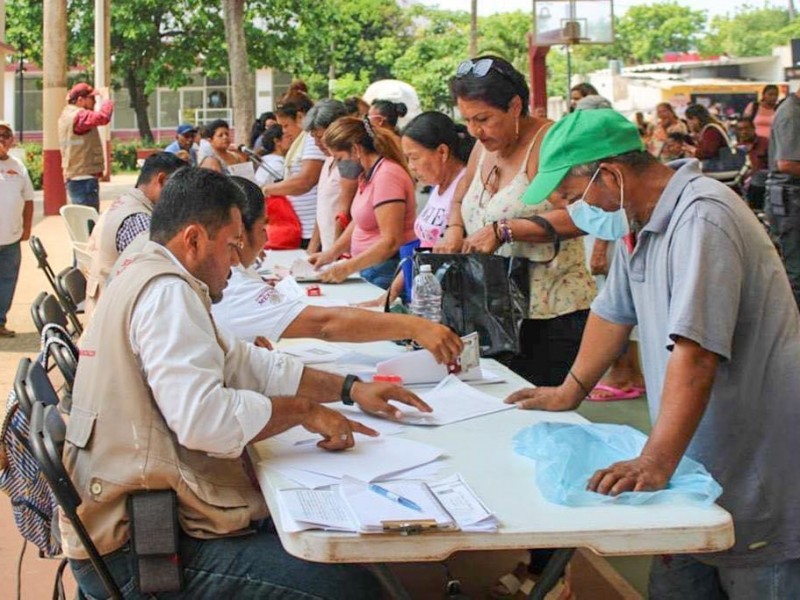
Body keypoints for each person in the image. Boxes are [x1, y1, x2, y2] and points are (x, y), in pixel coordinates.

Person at [63, 166, 430, 599]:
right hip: (144, 552)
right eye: (232, 244)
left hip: (144, 523)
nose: (238, 260)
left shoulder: (153, 267)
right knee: (348, 587)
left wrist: (349, 388)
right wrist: (303, 411)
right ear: (194, 238)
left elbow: (244, 362)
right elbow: (205, 422)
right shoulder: (167, 293)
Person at [511, 108, 800, 599]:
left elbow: (696, 352)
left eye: (574, 196)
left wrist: (654, 461)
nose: (573, 209)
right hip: (695, 458)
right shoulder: (637, 221)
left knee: (757, 571)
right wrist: (570, 391)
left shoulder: (702, 216)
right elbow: (612, 311)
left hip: (756, 462)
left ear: (610, 175)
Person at [439, 55, 595, 386]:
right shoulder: (482, 147)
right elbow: (459, 195)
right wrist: (455, 230)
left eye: (483, 118)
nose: (474, 131)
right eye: (467, 120)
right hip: (495, 310)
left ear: (514, 105)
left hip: (550, 313)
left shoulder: (550, 143)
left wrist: (507, 230)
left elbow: (585, 214)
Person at [214, 176, 463, 363]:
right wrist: (415, 327)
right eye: (262, 227)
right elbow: (325, 324)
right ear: (238, 234)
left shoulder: (224, 276)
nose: (266, 238)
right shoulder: (235, 284)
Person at [309, 117, 417, 289]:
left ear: (356, 149)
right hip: (370, 268)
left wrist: (348, 267)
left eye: (340, 158)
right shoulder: (367, 175)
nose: (339, 165)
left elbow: (391, 240)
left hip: (385, 270)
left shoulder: (387, 176)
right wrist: (330, 254)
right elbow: (359, 222)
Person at [84, 152, 187, 320]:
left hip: (102, 309)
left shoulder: (124, 202)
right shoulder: (138, 222)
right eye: (180, 191)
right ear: (161, 181)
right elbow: (155, 278)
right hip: (111, 321)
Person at [262, 91, 326, 250]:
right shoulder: (301, 141)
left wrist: (265, 190)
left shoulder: (312, 139)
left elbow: (305, 181)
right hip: (300, 227)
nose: (284, 131)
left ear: (300, 117)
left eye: (286, 125)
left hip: (311, 228)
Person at [303, 99, 358, 251]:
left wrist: (335, 252)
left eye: (319, 137)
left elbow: (344, 212)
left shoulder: (350, 163)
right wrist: (312, 249)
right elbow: (323, 209)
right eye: (313, 137)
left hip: (346, 252)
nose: (316, 143)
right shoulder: (328, 161)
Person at [766, 85, 800, 308]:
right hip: (790, 201)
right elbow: (786, 163)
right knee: (797, 272)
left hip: (790, 199)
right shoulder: (791, 114)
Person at [0, 121, 34, 338]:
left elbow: (28, 199)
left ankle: (0, 322)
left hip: (11, 238)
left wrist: (27, 228)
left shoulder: (18, 166)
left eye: (6, 135)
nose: (2, 139)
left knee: (7, 283)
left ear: (12, 140)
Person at [58, 82, 114, 211]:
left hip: (75, 176)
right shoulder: (79, 116)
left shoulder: (65, 115)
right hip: (84, 179)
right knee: (89, 224)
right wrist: (106, 98)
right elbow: (103, 117)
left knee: (82, 223)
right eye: (92, 98)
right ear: (80, 100)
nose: (94, 102)